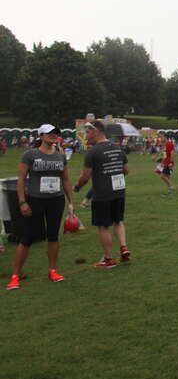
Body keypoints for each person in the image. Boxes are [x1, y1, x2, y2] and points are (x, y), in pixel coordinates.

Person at [6, 124, 75, 290]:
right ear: (41, 135)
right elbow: (21, 180)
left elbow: (65, 179)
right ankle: (15, 275)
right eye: (50, 133)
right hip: (35, 200)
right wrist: (22, 202)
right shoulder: (29, 155)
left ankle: (52, 270)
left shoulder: (60, 156)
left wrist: (71, 201)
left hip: (56, 200)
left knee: (53, 235)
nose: (53, 135)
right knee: (27, 237)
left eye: (55, 133)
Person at [74, 120, 131, 268]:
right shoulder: (118, 148)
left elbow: (85, 177)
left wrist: (77, 186)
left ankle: (108, 259)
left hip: (102, 194)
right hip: (119, 191)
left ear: (96, 131)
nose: (86, 135)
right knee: (118, 221)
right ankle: (124, 248)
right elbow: (126, 170)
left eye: (88, 131)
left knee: (103, 226)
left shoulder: (92, 152)